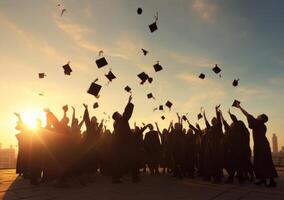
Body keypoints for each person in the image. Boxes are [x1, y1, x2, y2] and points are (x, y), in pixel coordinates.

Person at [236, 104, 277, 187]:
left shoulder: (258, 123)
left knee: (262, 162)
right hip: (263, 145)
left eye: (259, 115)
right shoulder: (262, 125)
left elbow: (247, 115)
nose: (257, 116)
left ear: (261, 118)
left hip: (261, 146)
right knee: (264, 162)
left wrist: (239, 107)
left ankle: (269, 181)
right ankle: (264, 179)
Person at [111, 95, 138, 183]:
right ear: (117, 116)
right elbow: (126, 113)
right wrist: (129, 103)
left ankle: (116, 178)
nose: (120, 113)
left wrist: (128, 101)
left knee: (121, 161)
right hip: (127, 144)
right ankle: (134, 177)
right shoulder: (122, 121)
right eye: (119, 114)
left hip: (121, 146)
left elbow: (124, 113)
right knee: (132, 159)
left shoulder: (116, 124)